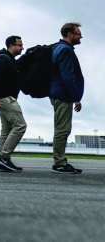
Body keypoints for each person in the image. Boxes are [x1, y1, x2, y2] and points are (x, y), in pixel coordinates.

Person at [50, 22, 84, 175]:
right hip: (62, 94)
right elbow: (67, 76)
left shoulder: (58, 47)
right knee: (62, 129)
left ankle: (60, 161)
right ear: (69, 34)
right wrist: (76, 97)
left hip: (58, 93)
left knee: (62, 128)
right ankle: (59, 163)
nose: (80, 36)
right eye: (78, 33)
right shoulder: (65, 50)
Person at [0, 35, 26, 173]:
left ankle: (3, 162)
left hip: (5, 98)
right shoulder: (4, 59)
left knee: (6, 130)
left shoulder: (10, 60)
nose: (22, 48)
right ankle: (4, 156)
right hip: (6, 99)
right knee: (20, 125)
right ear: (11, 46)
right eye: (20, 45)